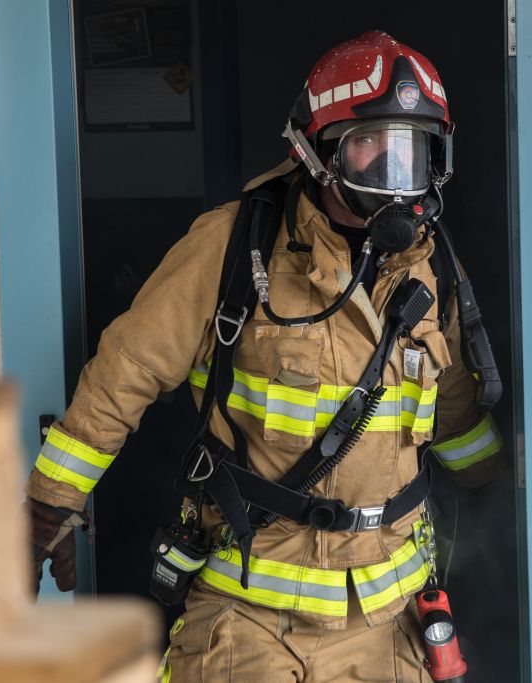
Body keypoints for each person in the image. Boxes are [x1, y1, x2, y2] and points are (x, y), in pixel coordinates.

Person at [25, 30, 504, 682]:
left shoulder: (430, 266)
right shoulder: (231, 248)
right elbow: (123, 374)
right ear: (318, 149)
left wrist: (505, 495)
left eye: (412, 147)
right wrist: (49, 509)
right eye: (369, 142)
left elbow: (452, 411)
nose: (394, 168)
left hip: (390, 622)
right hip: (250, 618)